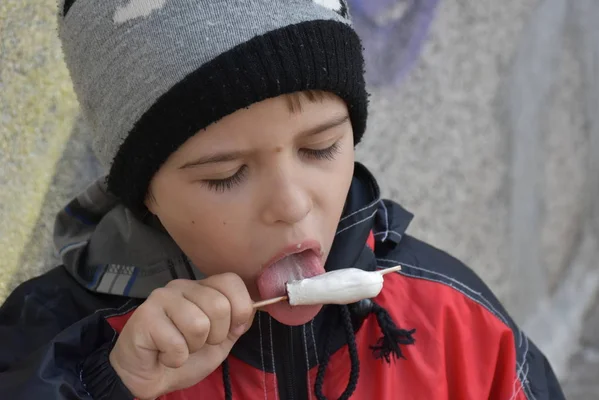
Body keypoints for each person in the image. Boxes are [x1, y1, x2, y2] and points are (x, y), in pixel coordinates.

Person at [0, 1, 565, 399]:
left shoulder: (455, 322)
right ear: (145, 191)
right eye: (225, 175)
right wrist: (110, 385)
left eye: (320, 148)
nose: (292, 206)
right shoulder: (56, 344)